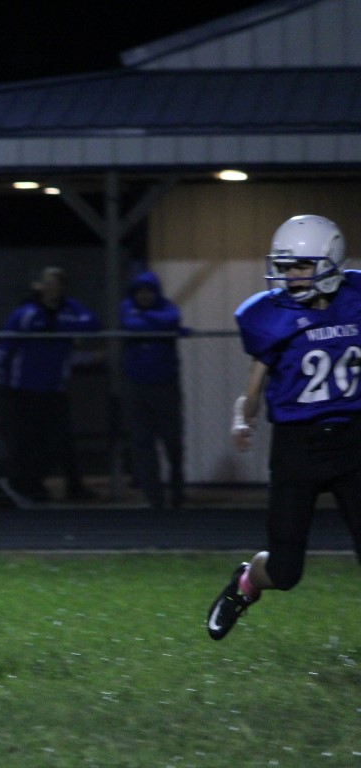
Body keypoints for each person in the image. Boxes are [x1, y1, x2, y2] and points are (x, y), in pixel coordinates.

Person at [207, 214, 361, 641]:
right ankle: (245, 584)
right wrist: (242, 417)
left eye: (302, 266)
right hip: (298, 447)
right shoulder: (272, 315)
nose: (291, 276)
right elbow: (254, 386)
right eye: (286, 266)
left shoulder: (356, 298)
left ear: (331, 262)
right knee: (285, 571)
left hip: (354, 441)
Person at [0, 266, 100, 506]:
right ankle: (25, 486)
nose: (53, 288)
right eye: (48, 283)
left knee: (56, 441)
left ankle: (42, 485)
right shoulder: (27, 313)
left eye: (58, 284)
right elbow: (5, 348)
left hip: (54, 390)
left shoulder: (67, 312)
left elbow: (92, 323)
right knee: (25, 442)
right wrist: (2, 382)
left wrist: (68, 305)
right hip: (23, 390)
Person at [118, 270, 185, 510]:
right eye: (140, 291)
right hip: (137, 386)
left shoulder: (167, 307)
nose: (144, 296)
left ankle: (177, 493)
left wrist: (148, 320)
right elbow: (131, 324)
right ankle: (153, 496)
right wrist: (157, 326)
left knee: (172, 442)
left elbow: (171, 320)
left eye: (149, 291)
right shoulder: (127, 307)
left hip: (165, 385)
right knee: (142, 442)